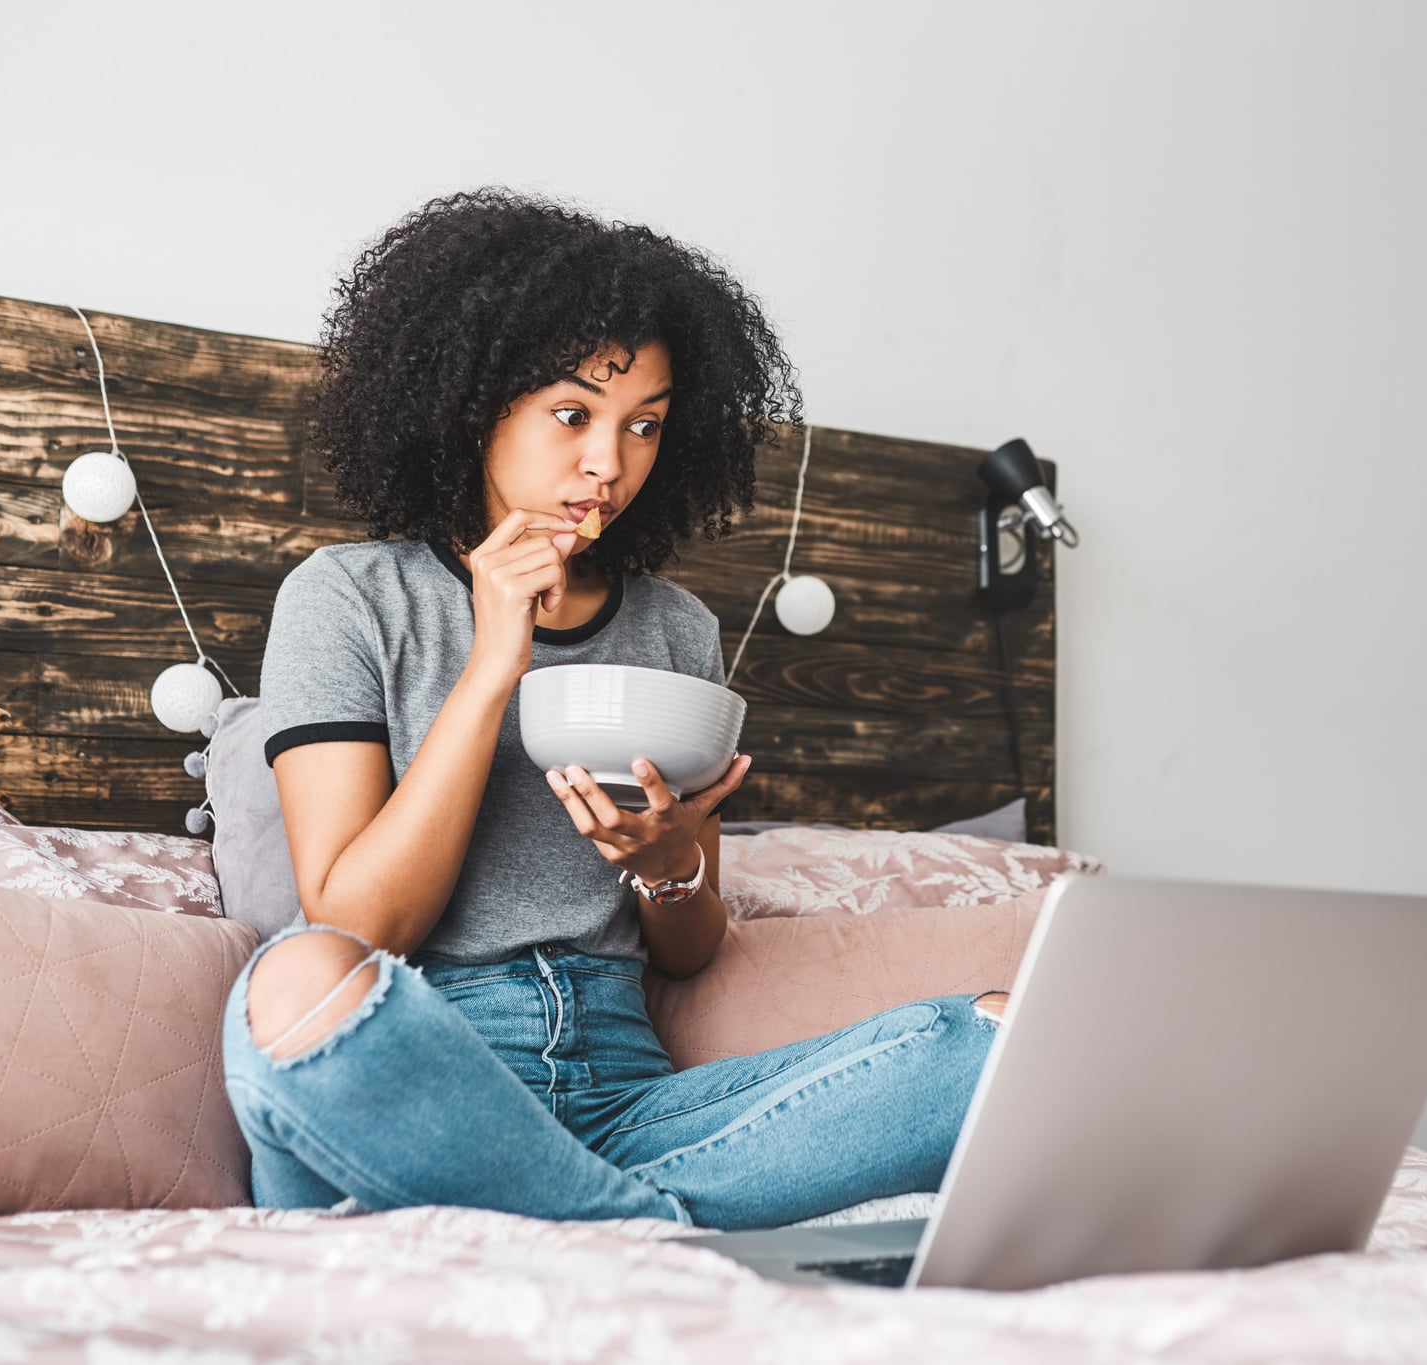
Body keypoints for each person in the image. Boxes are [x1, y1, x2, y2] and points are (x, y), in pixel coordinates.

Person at [219, 188, 1007, 1230]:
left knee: (993, 1036)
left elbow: (686, 948)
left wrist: (665, 865)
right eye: (572, 414)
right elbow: (362, 925)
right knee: (298, 982)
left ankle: (586, 1221)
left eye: (644, 426)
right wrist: (491, 662)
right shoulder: (350, 597)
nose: (609, 463)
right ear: (472, 403)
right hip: (426, 1073)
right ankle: (636, 1226)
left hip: (626, 1095)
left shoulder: (676, 629)